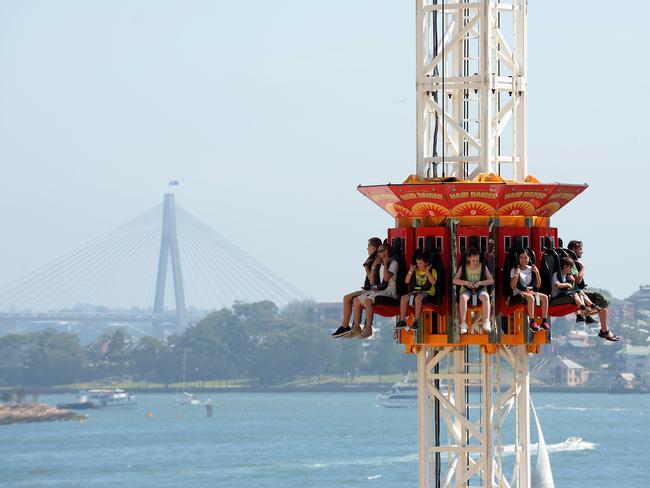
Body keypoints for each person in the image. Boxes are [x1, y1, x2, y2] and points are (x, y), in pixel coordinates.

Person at [566, 240, 620, 342]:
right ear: (573, 249)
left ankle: (601, 327)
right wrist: (582, 268)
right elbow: (578, 279)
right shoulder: (571, 262)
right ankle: (600, 326)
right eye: (580, 249)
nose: (582, 252)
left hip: (578, 290)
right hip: (576, 290)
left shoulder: (570, 260)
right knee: (602, 301)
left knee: (603, 307)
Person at [331, 237, 383, 338]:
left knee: (352, 299)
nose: (367, 249)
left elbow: (372, 280)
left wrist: (367, 267)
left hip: (372, 290)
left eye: (368, 247)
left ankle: (354, 326)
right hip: (369, 289)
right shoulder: (372, 258)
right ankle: (346, 326)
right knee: (347, 298)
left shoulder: (375, 260)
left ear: (373, 247)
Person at [352, 243, 400, 338]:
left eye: (380, 251)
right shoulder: (380, 264)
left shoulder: (393, 263)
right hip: (381, 290)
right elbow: (372, 281)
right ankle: (356, 327)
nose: (378, 254)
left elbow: (386, 278)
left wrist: (386, 263)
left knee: (368, 301)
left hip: (390, 292)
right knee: (356, 300)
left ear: (386, 252)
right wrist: (373, 266)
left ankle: (368, 328)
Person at [452, 247, 494, 334]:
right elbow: (455, 280)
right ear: (468, 259)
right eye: (473, 260)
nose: (475, 262)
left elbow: (491, 280)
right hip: (467, 289)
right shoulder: (464, 267)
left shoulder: (483, 267)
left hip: (480, 289)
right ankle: (463, 323)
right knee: (463, 297)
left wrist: (480, 283)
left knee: (485, 296)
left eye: (477, 260)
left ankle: (486, 321)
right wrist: (466, 282)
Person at [509, 249, 550, 332]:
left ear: (529, 258)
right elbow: (512, 287)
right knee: (531, 297)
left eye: (525, 258)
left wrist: (537, 273)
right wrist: (517, 274)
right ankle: (532, 321)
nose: (523, 260)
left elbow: (538, 285)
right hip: (518, 292)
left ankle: (544, 321)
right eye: (521, 258)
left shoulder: (531, 269)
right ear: (518, 259)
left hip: (530, 291)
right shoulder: (514, 270)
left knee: (544, 297)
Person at [395, 252, 438, 331]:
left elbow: (433, 282)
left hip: (427, 292)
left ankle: (416, 321)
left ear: (426, 263)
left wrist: (427, 272)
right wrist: (411, 271)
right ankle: (402, 320)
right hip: (416, 291)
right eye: (417, 263)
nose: (419, 265)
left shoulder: (432, 271)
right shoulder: (415, 271)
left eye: (421, 263)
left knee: (418, 298)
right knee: (404, 298)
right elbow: (407, 281)